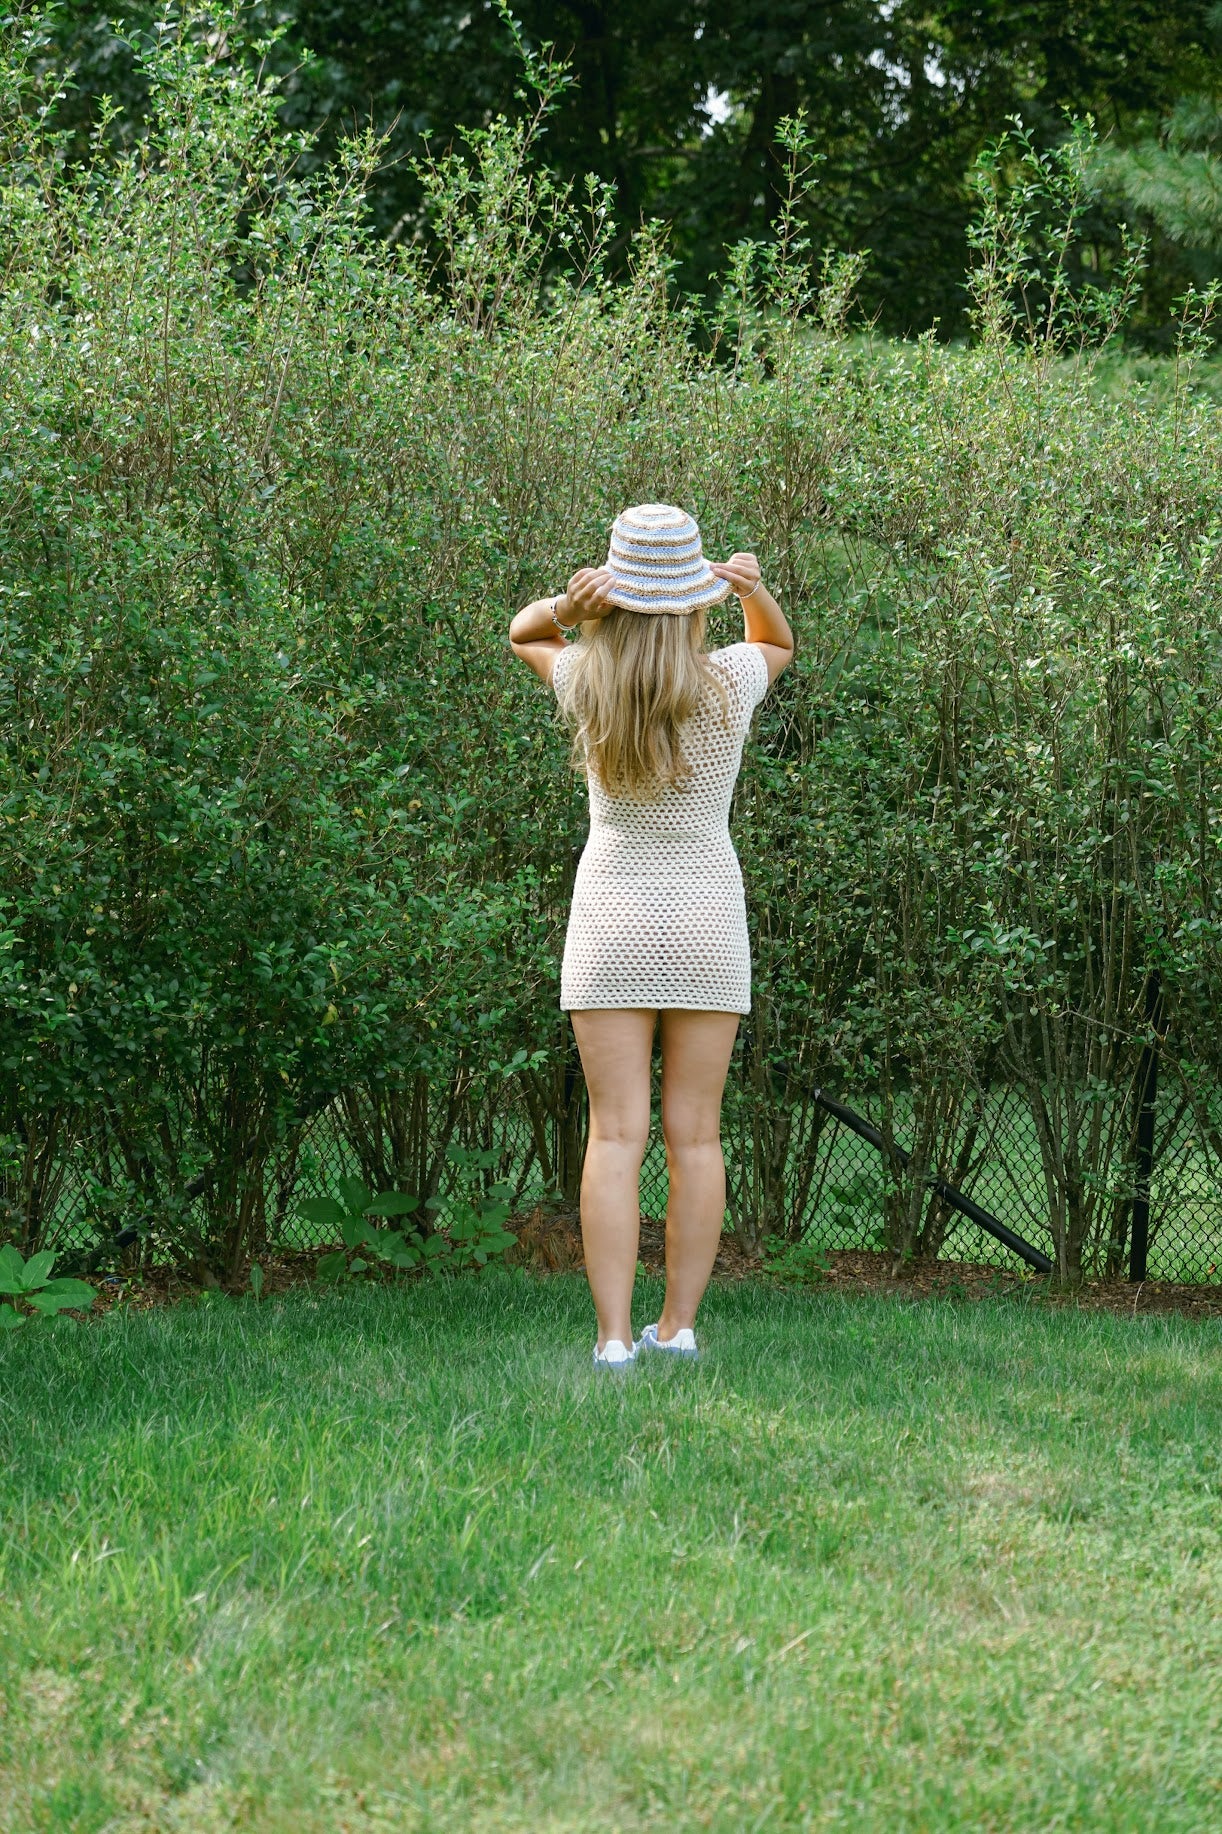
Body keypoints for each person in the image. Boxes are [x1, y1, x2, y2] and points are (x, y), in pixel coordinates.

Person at [509, 503, 793, 1367]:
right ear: (696, 596)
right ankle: (679, 1329)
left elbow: (522, 634)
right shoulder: (731, 681)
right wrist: (754, 590)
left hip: (611, 926)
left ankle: (611, 1340)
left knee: (615, 1136)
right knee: (695, 1135)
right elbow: (779, 644)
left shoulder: (585, 678)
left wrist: (571, 608)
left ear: (616, 598)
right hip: (707, 921)